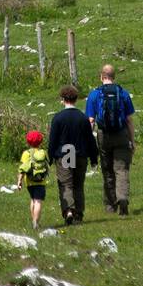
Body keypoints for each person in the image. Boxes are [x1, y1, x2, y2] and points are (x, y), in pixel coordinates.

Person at [86, 65, 135, 216]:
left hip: (103, 135)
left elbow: (91, 120)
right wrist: (132, 141)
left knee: (107, 171)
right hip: (121, 134)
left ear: (101, 76)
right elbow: (129, 120)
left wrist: (89, 141)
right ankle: (123, 199)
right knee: (121, 169)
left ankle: (110, 205)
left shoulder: (94, 95)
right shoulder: (123, 93)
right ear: (114, 76)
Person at [48, 85, 98, 225]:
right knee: (78, 185)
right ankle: (79, 214)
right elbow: (90, 140)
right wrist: (94, 157)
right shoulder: (83, 118)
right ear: (76, 99)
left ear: (63, 99)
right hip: (80, 154)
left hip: (65, 154)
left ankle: (69, 209)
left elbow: (53, 140)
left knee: (66, 184)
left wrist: (50, 156)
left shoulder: (58, 118)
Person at [17, 129, 49, 230]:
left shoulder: (26, 153)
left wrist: (19, 181)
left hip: (29, 181)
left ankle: (33, 220)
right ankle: (36, 221)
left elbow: (23, 168)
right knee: (38, 201)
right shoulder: (43, 152)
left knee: (32, 200)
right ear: (40, 141)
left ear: (28, 141)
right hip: (41, 181)